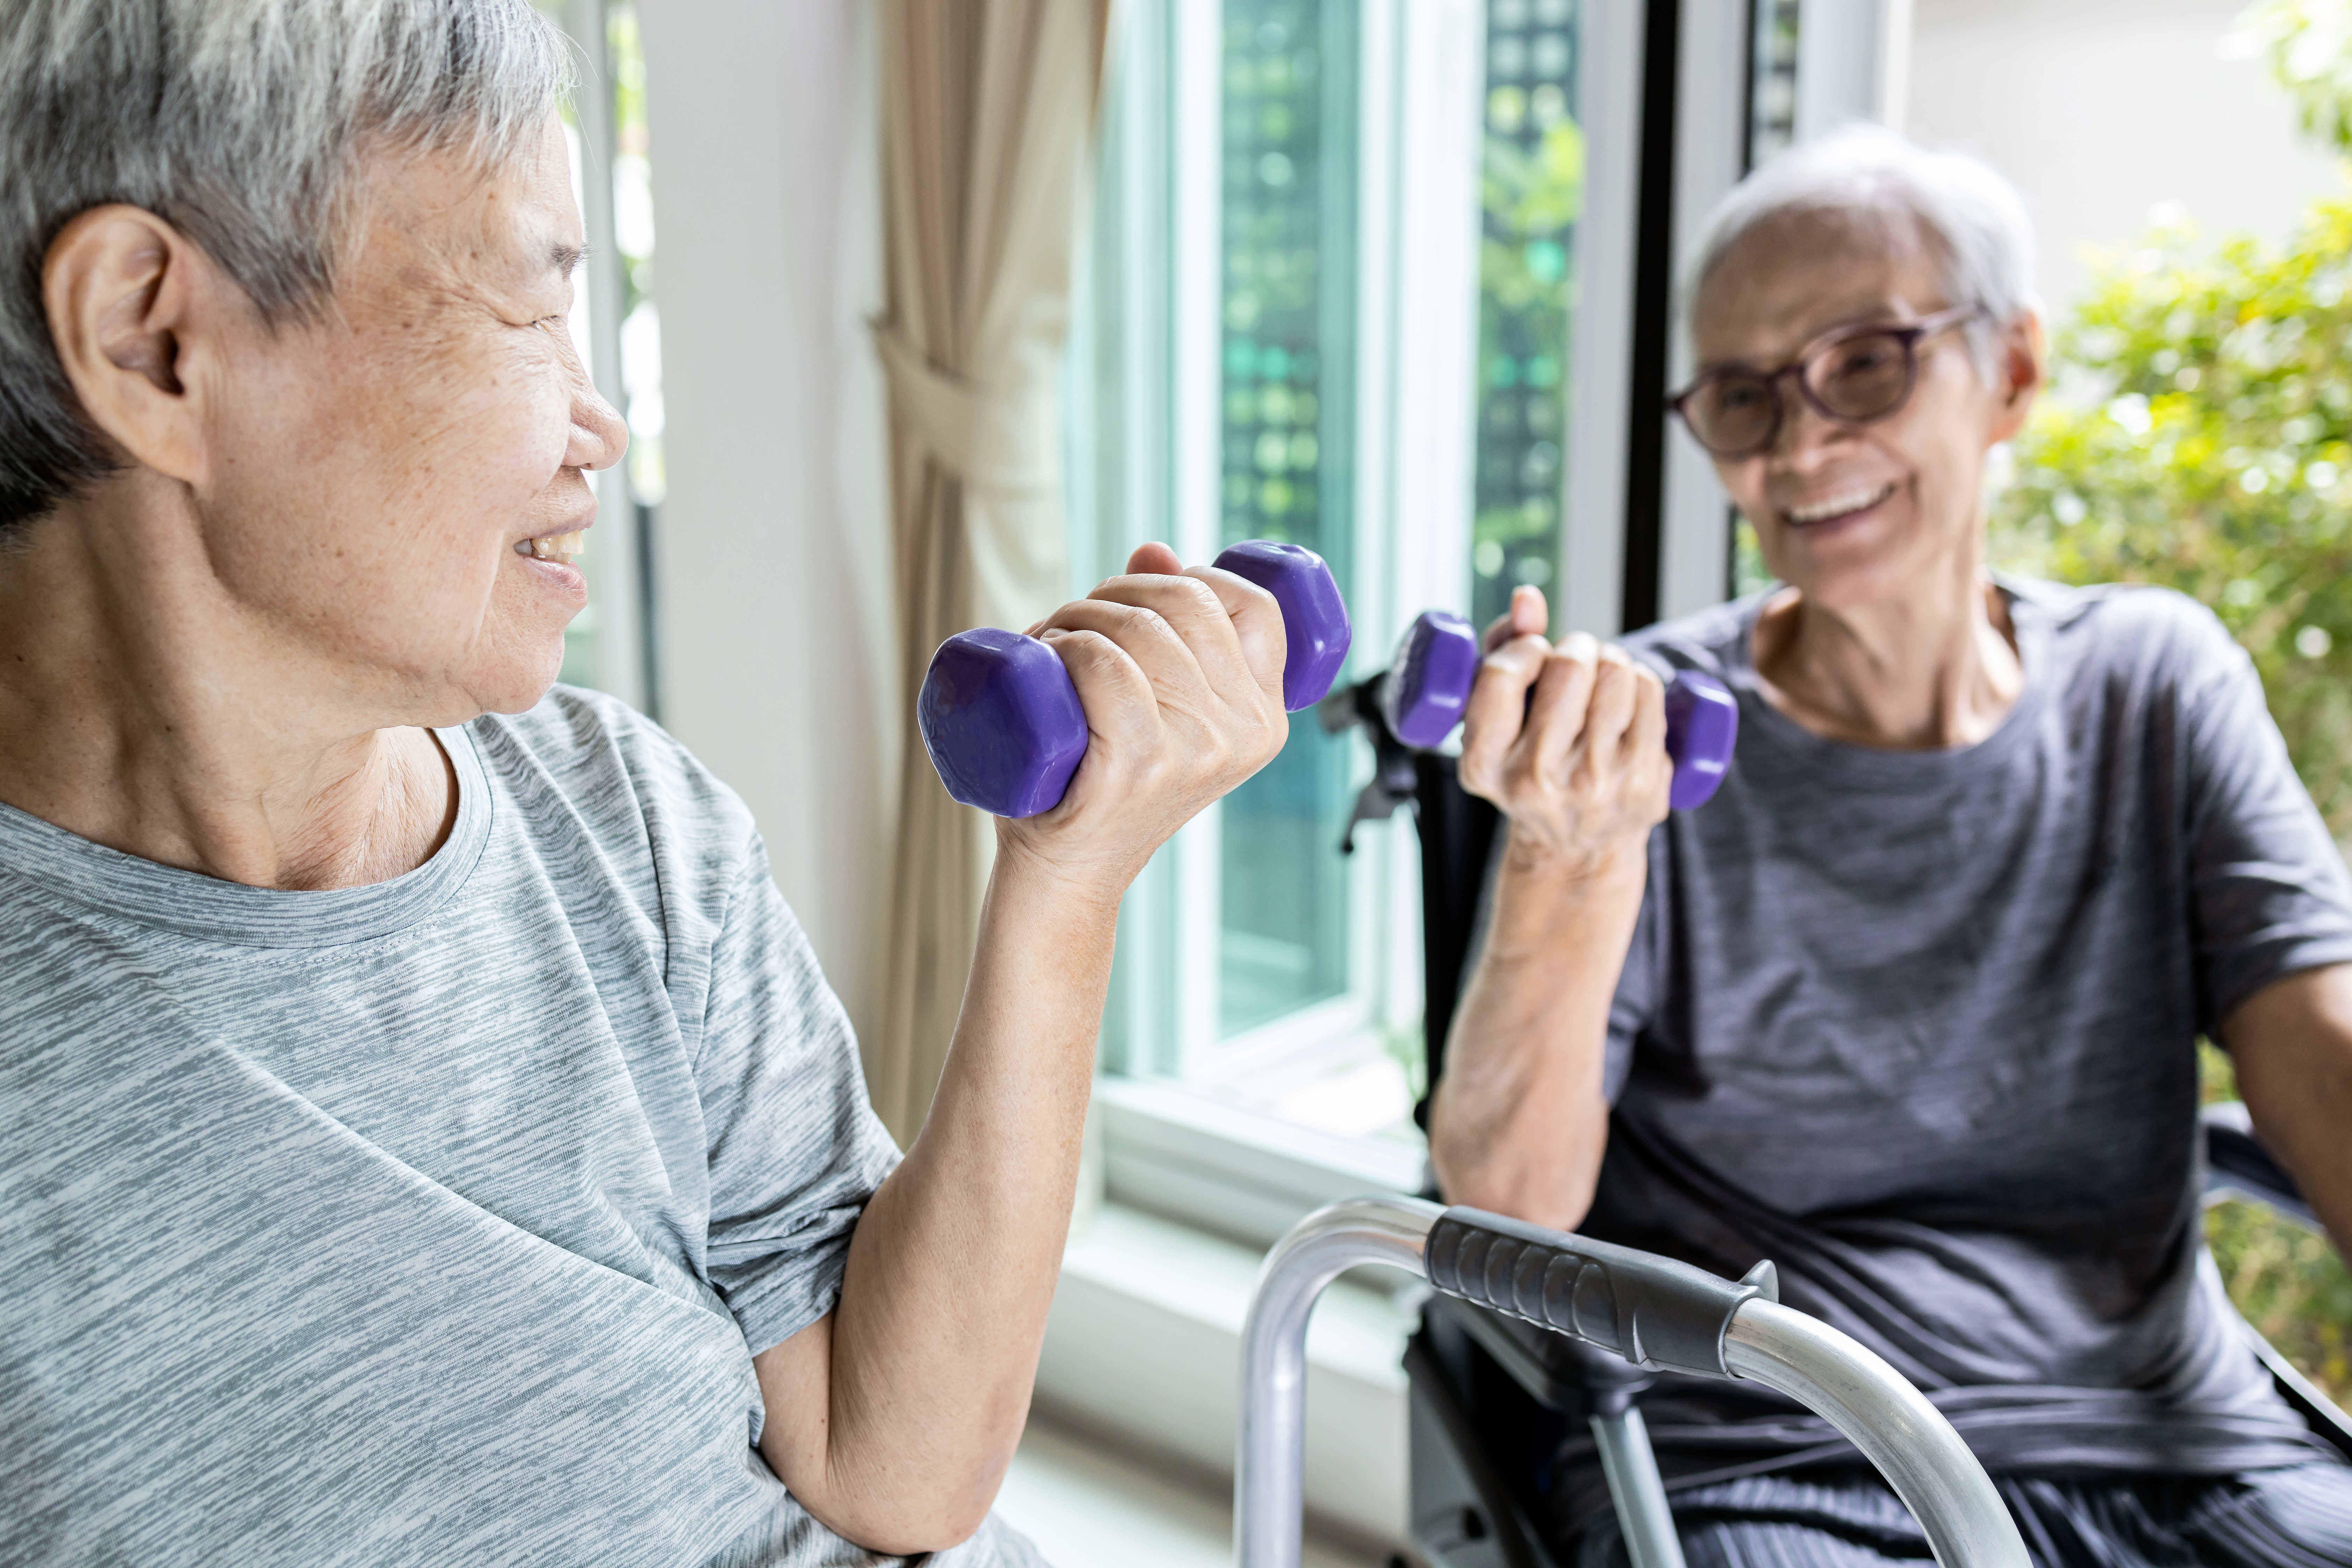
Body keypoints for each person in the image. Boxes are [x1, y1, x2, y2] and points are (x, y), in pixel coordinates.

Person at [0, 3, 1292, 1563]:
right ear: (156, 340)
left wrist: (1068, 877)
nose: (597, 426)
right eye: (530, 312)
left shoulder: (623, 816)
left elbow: (892, 1467)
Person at [1426, 126, 2352, 1567]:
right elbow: (1507, 1207)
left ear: (2014, 373)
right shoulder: (1643, 744)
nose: (1800, 446)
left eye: (1866, 363)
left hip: (2175, 1440)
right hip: (1782, 1451)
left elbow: (2326, 1071)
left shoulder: (2158, 682)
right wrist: (1574, 852)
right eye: (1744, 398)